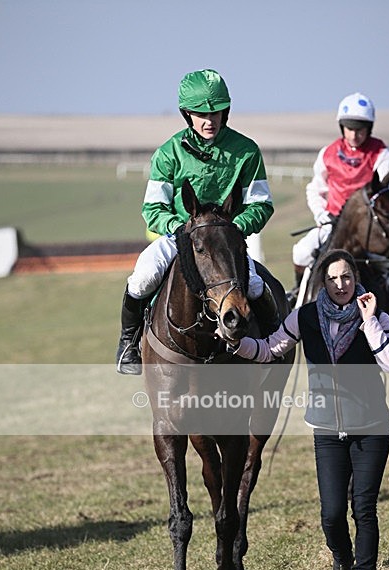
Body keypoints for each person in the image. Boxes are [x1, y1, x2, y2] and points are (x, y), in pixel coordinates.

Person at [224, 249, 389, 570]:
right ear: (323, 281)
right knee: (331, 513)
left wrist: (369, 322)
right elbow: (270, 348)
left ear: (356, 278)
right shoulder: (304, 317)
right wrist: (235, 343)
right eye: (334, 278)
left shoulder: (378, 316)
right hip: (326, 430)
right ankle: (341, 561)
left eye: (347, 277)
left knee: (363, 509)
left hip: (371, 428)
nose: (341, 285)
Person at [116, 68, 279, 374]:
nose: (209, 120)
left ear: (226, 112)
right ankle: (128, 343)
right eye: (200, 113)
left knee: (256, 287)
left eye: (216, 112)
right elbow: (153, 208)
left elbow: (261, 204)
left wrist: (234, 229)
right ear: (186, 114)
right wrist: (181, 231)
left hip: (226, 242)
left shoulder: (247, 152)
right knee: (143, 276)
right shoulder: (168, 153)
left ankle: (274, 344)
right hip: (178, 238)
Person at [290, 93, 389, 301]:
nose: (355, 135)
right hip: (333, 223)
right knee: (301, 252)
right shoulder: (328, 153)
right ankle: (298, 295)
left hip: (370, 227)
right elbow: (315, 189)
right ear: (342, 127)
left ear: (370, 128)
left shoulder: (382, 154)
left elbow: (386, 195)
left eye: (361, 129)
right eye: (350, 129)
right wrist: (322, 215)